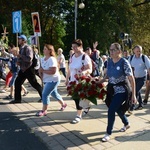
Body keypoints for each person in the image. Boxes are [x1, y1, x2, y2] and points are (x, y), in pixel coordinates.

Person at [99, 43, 136, 142]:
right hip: (112, 90)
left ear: (119, 51)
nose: (110, 52)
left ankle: (108, 133)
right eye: (110, 50)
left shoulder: (124, 62)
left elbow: (131, 79)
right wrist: (98, 82)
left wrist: (134, 95)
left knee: (111, 109)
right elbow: (107, 76)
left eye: (113, 50)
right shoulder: (109, 62)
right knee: (117, 109)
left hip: (122, 90)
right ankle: (126, 123)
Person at [9, 35, 42, 104]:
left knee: (34, 84)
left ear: (23, 40)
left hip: (29, 69)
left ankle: (44, 97)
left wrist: (20, 56)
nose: (18, 40)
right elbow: (23, 59)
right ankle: (17, 99)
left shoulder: (28, 48)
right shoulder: (22, 48)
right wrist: (19, 62)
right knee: (17, 82)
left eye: (20, 39)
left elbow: (29, 59)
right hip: (23, 69)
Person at [65, 39, 92, 124]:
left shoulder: (85, 57)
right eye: (73, 47)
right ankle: (85, 107)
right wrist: (67, 79)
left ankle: (78, 115)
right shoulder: (72, 56)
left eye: (76, 47)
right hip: (73, 81)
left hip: (82, 81)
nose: (74, 49)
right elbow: (70, 68)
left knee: (79, 98)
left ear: (81, 46)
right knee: (76, 98)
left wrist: (85, 72)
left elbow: (90, 69)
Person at [36, 44, 67, 116]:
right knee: (54, 93)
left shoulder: (52, 59)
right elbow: (41, 71)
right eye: (43, 49)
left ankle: (44, 110)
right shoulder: (42, 59)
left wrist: (43, 71)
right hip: (46, 80)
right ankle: (64, 104)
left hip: (53, 80)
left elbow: (53, 71)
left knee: (45, 94)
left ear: (50, 51)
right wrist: (40, 73)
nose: (43, 50)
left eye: (45, 49)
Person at [128, 45, 150, 110]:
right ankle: (141, 104)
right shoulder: (131, 58)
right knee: (138, 91)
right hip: (134, 78)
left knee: (135, 91)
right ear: (134, 51)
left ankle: (132, 106)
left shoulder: (144, 57)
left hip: (142, 78)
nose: (138, 52)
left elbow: (149, 68)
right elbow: (128, 67)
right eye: (137, 51)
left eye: (140, 51)